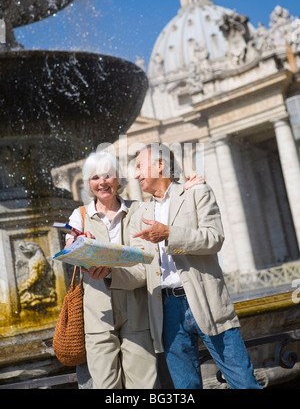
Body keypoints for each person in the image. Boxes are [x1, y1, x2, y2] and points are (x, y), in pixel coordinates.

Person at [107, 143, 262, 389]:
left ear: (160, 165)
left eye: (139, 166)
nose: (135, 175)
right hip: (166, 308)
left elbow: (214, 239)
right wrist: (108, 274)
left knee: (243, 383)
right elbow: (143, 270)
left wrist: (169, 234)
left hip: (205, 300)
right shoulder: (140, 213)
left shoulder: (196, 193)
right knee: (185, 389)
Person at [65, 149, 204, 389]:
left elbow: (151, 256)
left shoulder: (140, 210)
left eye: (108, 176)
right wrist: (76, 244)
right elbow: (70, 246)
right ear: (89, 183)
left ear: (118, 179)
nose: (102, 183)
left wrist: (191, 187)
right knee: (106, 387)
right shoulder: (80, 216)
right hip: (97, 314)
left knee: (144, 384)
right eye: (95, 178)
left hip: (137, 309)